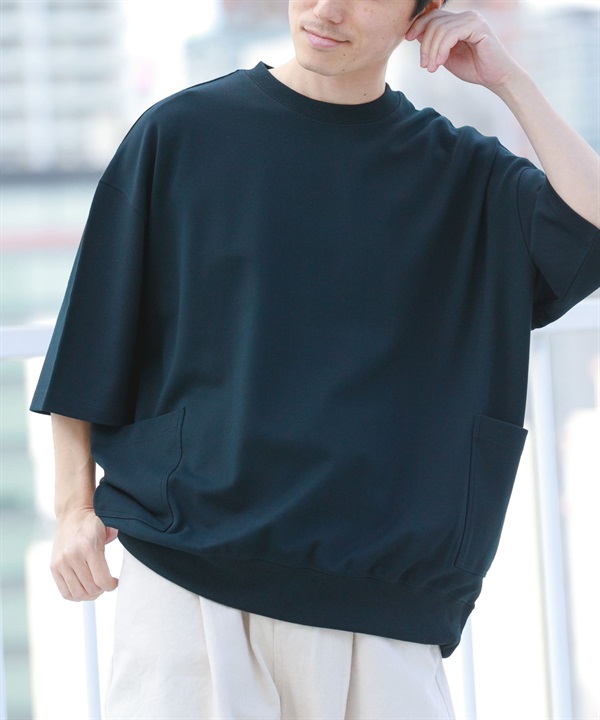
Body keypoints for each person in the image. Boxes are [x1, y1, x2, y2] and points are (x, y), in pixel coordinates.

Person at [31, 1, 600, 718]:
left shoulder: (463, 176)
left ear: (422, 13)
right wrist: (73, 509)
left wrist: (508, 78)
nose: (328, 8)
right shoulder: (181, 134)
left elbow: (590, 225)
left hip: (383, 608)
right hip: (188, 580)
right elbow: (94, 334)